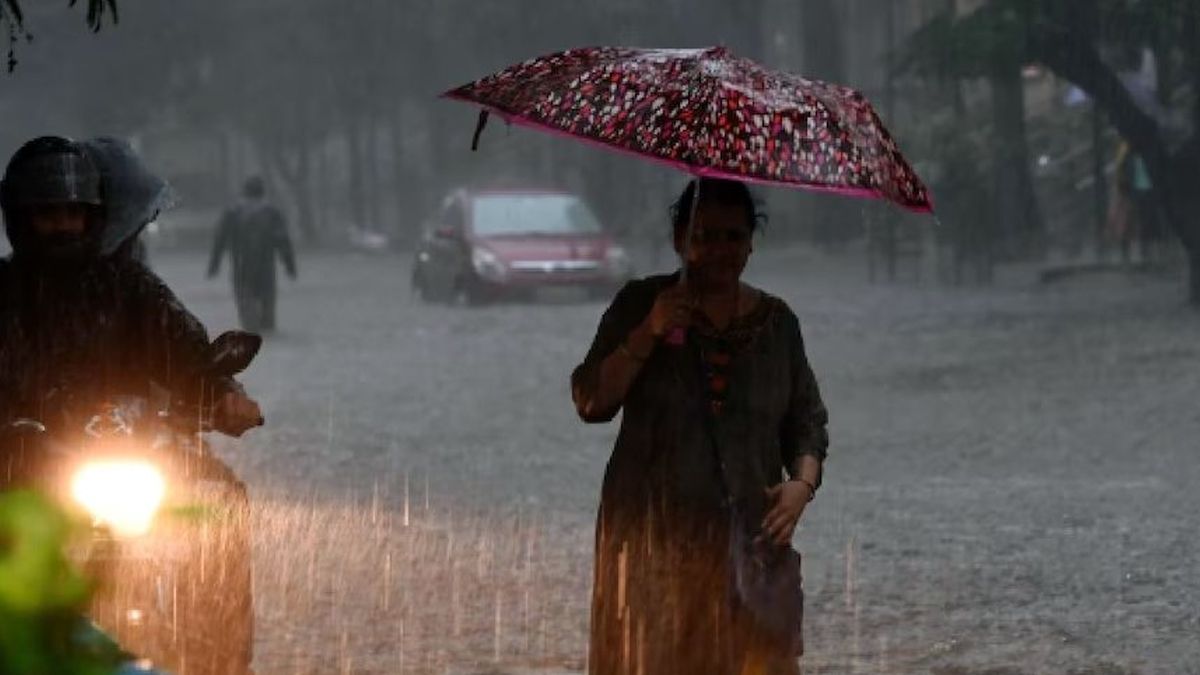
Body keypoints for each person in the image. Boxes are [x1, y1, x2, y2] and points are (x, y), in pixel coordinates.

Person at [571, 178, 829, 675]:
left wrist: (801, 484)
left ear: (751, 243)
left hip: (747, 543)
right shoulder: (641, 303)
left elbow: (807, 422)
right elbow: (590, 400)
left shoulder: (778, 325)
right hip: (652, 541)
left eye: (733, 236)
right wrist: (650, 330)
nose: (720, 250)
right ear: (679, 239)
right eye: (705, 235)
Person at [0, 135, 261, 437]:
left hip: (123, 449)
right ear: (22, 220)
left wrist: (222, 394)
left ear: (92, 218)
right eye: (48, 215)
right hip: (14, 466)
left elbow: (187, 356)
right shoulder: (5, 289)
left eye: (74, 214)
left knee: (217, 484)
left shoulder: (129, 287)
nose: (63, 226)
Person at [208, 176, 297, 333]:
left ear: (244, 192)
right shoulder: (272, 212)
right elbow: (283, 241)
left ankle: (252, 330)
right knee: (267, 300)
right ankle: (267, 328)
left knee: (245, 300)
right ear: (263, 192)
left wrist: (214, 265)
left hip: (241, 264)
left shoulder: (232, 212)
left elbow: (220, 240)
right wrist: (290, 266)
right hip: (266, 265)